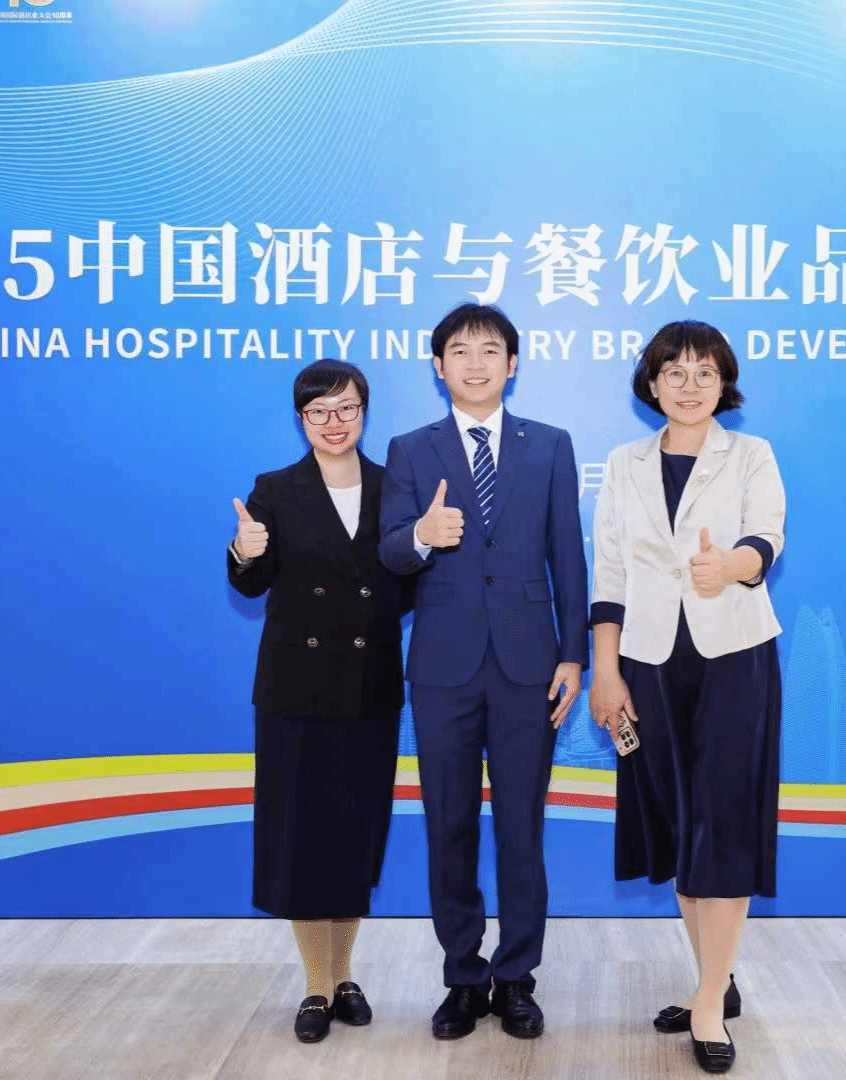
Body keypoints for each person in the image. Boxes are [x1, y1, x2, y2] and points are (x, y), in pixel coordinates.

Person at [378, 303, 588, 1041]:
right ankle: (463, 978)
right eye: (460, 352)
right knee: (450, 825)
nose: (475, 363)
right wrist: (421, 535)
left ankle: (517, 977)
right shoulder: (411, 449)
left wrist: (574, 654)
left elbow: (568, 554)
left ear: (513, 363)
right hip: (443, 667)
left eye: (490, 350)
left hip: (530, 664)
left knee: (522, 827)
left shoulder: (550, 445)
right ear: (438, 366)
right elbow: (390, 550)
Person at [587, 321, 786, 1075]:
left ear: (723, 382)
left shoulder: (752, 454)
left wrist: (731, 565)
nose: (690, 384)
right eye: (675, 371)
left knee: (723, 822)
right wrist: (606, 670)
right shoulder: (624, 463)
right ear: (652, 384)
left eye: (705, 371)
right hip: (646, 662)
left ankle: (707, 1002)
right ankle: (716, 980)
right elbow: (609, 572)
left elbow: (768, 538)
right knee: (679, 824)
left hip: (734, 656)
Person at [226, 360, 414, 1045]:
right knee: (302, 839)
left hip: (369, 685)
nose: (334, 423)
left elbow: (407, 585)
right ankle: (316, 985)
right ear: (301, 418)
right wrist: (244, 551)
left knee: (354, 836)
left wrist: (427, 546)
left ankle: (343, 974)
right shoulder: (275, 490)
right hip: (296, 690)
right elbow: (252, 584)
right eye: (319, 412)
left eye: (346, 408)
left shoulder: (396, 487)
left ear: (365, 411)